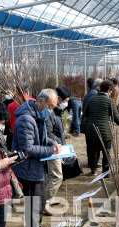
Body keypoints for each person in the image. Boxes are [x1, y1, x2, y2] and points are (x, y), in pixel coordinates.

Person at [11, 89, 61, 227]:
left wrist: (51, 143)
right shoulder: (26, 119)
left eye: (53, 107)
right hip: (28, 169)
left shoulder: (38, 116)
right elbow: (28, 148)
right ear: (39, 101)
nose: (50, 110)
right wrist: (51, 151)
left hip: (37, 169)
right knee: (34, 204)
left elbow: (41, 139)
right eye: (49, 106)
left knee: (39, 202)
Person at [84, 81, 119, 176]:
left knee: (93, 151)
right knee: (106, 152)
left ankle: (93, 170)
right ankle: (106, 172)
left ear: (100, 88)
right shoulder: (109, 101)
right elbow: (115, 116)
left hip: (92, 130)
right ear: (108, 90)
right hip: (105, 131)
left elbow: (85, 113)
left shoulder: (91, 99)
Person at [44, 86, 71, 215]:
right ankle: (44, 202)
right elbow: (48, 133)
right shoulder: (50, 113)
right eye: (65, 100)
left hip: (58, 148)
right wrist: (59, 144)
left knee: (51, 176)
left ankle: (47, 200)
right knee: (56, 177)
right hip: (52, 149)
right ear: (58, 99)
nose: (66, 103)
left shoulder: (57, 112)